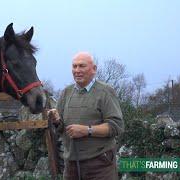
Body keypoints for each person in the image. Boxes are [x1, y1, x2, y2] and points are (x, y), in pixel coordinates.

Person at [48, 52, 124, 180]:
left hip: (100, 164)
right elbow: (61, 129)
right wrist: (56, 121)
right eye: (74, 66)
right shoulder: (66, 92)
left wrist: (86, 130)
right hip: (71, 165)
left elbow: (116, 126)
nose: (77, 70)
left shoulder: (105, 91)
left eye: (82, 66)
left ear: (94, 69)